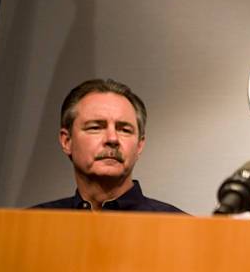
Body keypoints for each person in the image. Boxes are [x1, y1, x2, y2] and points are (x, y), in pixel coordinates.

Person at [33, 78, 183, 213]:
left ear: (139, 146)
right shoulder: (31, 226)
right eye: (95, 127)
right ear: (67, 141)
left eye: (124, 130)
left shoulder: (182, 229)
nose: (112, 139)